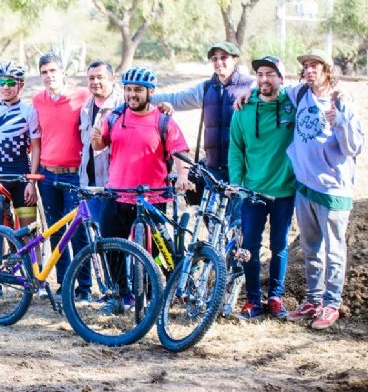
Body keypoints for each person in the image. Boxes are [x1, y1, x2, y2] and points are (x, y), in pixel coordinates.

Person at [91, 67, 193, 313]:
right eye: (128, 90)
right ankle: (118, 295)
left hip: (152, 197)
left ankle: (154, 296)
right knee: (111, 246)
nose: (132, 95)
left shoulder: (163, 120)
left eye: (138, 90)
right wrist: (96, 138)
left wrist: (183, 176)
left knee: (155, 252)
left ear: (150, 92)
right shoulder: (114, 117)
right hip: (116, 194)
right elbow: (99, 145)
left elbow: (181, 153)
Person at [285, 50, 364, 329]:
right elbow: (268, 85)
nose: (309, 70)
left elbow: (354, 148)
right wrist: (244, 94)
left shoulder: (342, 102)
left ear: (327, 69)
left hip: (332, 189)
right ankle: (313, 299)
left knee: (333, 250)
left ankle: (331, 304)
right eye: (305, 66)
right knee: (310, 248)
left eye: (314, 65)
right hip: (305, 186)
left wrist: (339, 123)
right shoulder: (299, 95)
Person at [229, 56, 296, 320]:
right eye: (260, 74)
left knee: (279, 245)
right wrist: (236, 183)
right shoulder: (243, 109)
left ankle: (276, 298)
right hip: (252, 192)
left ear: (281, 78)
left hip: (284, 189)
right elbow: (236, 149)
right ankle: (253, 300)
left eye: (271, 74)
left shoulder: (293, 105)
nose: (265, 79)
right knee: (250, 248)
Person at [32, 53, 91, 300]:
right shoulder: (37, 101)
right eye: (44, 72)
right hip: (47, 176)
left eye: (53, 71)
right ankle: (64, 284)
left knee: (78, 232)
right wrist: (33, 178)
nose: (49, 76)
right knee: (55, 232)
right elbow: (35, 140)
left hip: (74, 176)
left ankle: (84, 288)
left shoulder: (82, 96)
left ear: (62, 71)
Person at [152, 42, 253, 183]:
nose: (219, 62)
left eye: (224, 57)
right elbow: (177, 99)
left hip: (242, 169)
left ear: (235, 59)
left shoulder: (250, 86)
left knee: (237, 205)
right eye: (214, 58)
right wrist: (145, 98)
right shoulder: (206, 88)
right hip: (213, 169)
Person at [0, 61, 40, 229]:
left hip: (21, 177)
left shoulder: (29, 112)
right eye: (2, 82)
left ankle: (30, 256)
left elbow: (36, 147)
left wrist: (32, 182)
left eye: (11, 82)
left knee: (28, 234)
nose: (6, 87)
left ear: (20, 84)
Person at [79, 60, 123, 188]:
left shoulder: (123, 106)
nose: (95, 82)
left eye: (100, 77)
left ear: (111, 79)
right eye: (91, 78)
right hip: (88, 183)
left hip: (114, 184)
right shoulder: (85, 108)